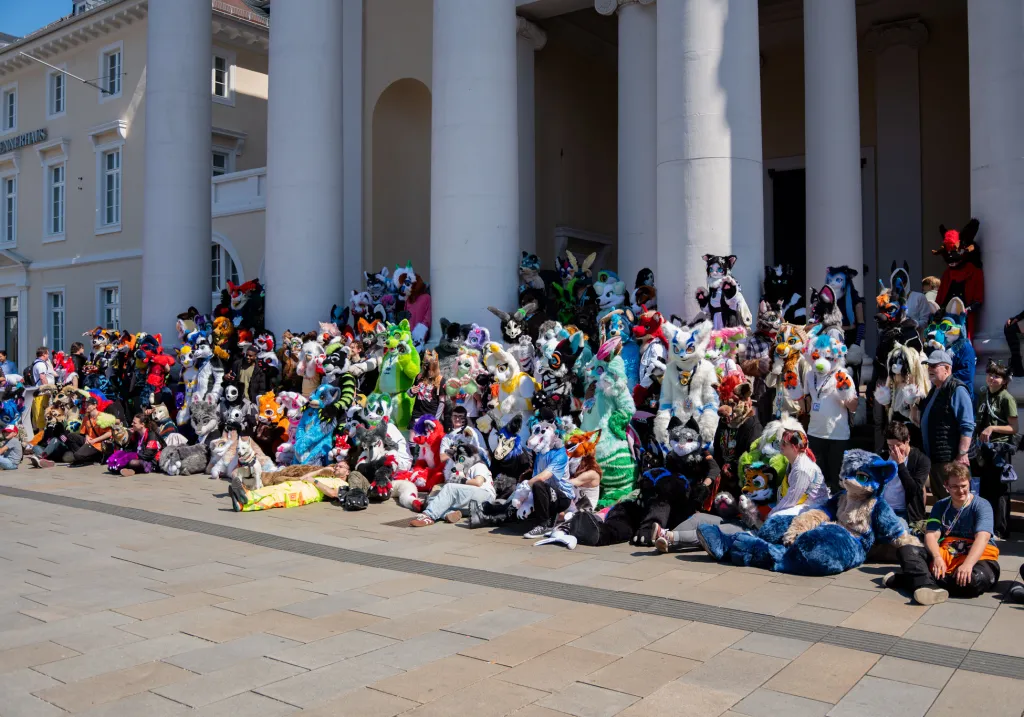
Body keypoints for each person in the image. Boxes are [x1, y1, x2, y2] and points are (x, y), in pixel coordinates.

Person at [884, 463, 1000, 605]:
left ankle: (915, 581)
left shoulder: (982, 505)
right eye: (955, 486)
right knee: (906, 550)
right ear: (947, 486)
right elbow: (931, 535)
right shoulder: (940, 505)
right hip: (947, 553)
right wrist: (937, 557)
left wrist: (968, 564)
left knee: (974, 581)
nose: (961, 491)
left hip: (978, 558)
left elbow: (983, 537)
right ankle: (928, 585)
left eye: (964, 485)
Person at [912, 350, 974, 501]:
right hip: (935, 458)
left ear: (947, 369)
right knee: (941, 499)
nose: (930, 370)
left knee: (953, 499)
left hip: (950, 459)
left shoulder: (957, 389)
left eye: (934, 366)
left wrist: (962, 453)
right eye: (928, 366)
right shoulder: (935, 389)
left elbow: (967, 425)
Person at [972, 361, 1018, 539]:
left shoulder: (1006, 398)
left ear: (1005, 380)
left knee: (1000, 491)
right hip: (984, 448)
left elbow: (1014, 427)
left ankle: (1000, 529)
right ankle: (986, 526)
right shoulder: (984, 394)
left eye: (997, 376)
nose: (992, 378)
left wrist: (992, 429)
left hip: (1000, 449)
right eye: (990, 374)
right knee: (985, 488)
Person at [410, 444, 495, 527]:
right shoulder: (467, 470)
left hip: (485, 497)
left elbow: (478, 482)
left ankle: (428, 516)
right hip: (473, 505)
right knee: (433, 499)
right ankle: (449, 514)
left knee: (449, 487)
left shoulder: (479, 465)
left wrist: (460, 480)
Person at [769, 429, 830, 517]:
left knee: (776, 516)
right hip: (802, 502)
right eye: (781, 441)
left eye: (784, 443)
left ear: (795, 447)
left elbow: (791, 500)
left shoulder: (802, 469)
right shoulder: (795, 460)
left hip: (815, 508)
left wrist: (771, 513)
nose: (780, 445)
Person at [880, 421, 931, 525]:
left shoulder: (921, 460)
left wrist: (901, 465)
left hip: (904, 512)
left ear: (907, 439)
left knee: (894, 530)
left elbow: (914, 490)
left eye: (898, 445)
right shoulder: (884, 457)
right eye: (890, 446)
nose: (894, 450)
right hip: (883, 508)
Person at [29, 347, 55, 432]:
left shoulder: (36, 363)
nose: (48, 355)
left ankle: (39, 435)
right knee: (41, 416)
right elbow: (42, 377)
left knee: (38, 416)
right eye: (47, 353)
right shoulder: (41, 364)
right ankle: (41, 437)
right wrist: (48, 388)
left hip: (38, 393)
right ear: (43, 354)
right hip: (41, 393)